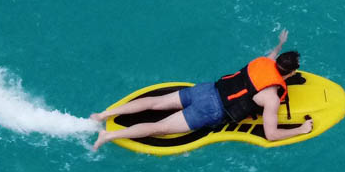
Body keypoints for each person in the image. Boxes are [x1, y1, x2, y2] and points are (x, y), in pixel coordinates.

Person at [90, 29, 313, 151]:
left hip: (205, 90)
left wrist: (280, 43)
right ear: (291, 73)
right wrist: (301, 129)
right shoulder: (271, 97)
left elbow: (273, 55)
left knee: (155, 103)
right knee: (161, 127)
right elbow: (271, 134)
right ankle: (109, 135)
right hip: (211, 111)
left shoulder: (263, 61)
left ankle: (104, 114)